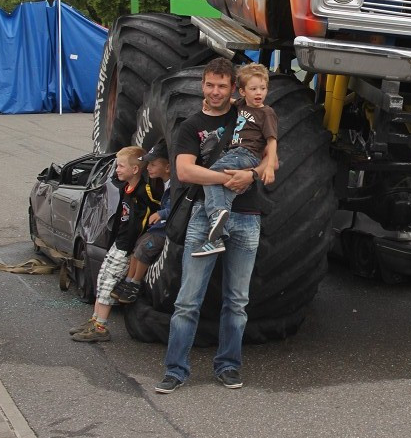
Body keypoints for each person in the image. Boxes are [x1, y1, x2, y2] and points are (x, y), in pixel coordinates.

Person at [155, 57, 266, 394]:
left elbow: (269, 157)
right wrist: (228, 178)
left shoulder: (248, 115)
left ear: (233, 88)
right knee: (188, 300)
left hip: (247, 217)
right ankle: (175, 370)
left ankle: (228, 366)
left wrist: (251, 174)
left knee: (237, 301)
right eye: (210, 85)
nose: (215, 91)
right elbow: (185, 171)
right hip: (204, 216)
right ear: (202, 85)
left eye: (222, 86)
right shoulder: (190, 126)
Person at [69, 146, 162, 342]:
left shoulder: (145, 190)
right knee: (102, 279)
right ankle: (94, 320)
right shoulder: (125, 188)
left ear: (135, 169)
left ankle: (101, 327)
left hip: (127, 248)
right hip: (118, 243)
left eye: (120, 166)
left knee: (108, 285)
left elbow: (156, 211)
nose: (117, 170)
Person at [192, 63, 278, 258]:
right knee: (228, 185)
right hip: (237, 153)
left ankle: (217, 217)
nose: (259, 93)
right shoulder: (241, 104)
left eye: (263, 89)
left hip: (246, 154)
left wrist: (269, 167)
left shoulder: (267, 113)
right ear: (242, 91)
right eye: (253, 89)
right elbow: (229, 101)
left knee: (211, 175)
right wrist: (207, 103)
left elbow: (272, 142)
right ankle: (216, 234)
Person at [111, 141, 171, 305]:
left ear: (167, 167)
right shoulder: (163, 183)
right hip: (157, 228)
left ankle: (135, 284)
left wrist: (160, 212)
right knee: (137, 246)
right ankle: (128, 280)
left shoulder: (174, 185)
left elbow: (176, 206)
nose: (148, 167)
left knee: (145, 249)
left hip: (166, 230)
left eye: (152, 164)